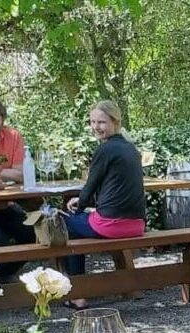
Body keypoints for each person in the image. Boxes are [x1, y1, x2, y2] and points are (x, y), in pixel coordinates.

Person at [63, 100, 146, 308]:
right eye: (92, 122)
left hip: (112, 225)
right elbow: (114, 188)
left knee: (65, 224)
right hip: (137, 225)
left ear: (115, 122)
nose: (96, 127)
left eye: (101, 122)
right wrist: (84, 203)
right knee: (78, 220)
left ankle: (78, 295)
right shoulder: (131, 149)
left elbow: (90, 186)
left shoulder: (105, 149)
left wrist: (78, 206)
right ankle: (121, 286)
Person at [0, 96, 33, 283]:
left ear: (2, 118)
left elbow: (22, 175)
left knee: (34, 235)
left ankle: (2, 274)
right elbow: (13, 173)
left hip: (4, 204)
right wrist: (6, 173)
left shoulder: (13, 136)